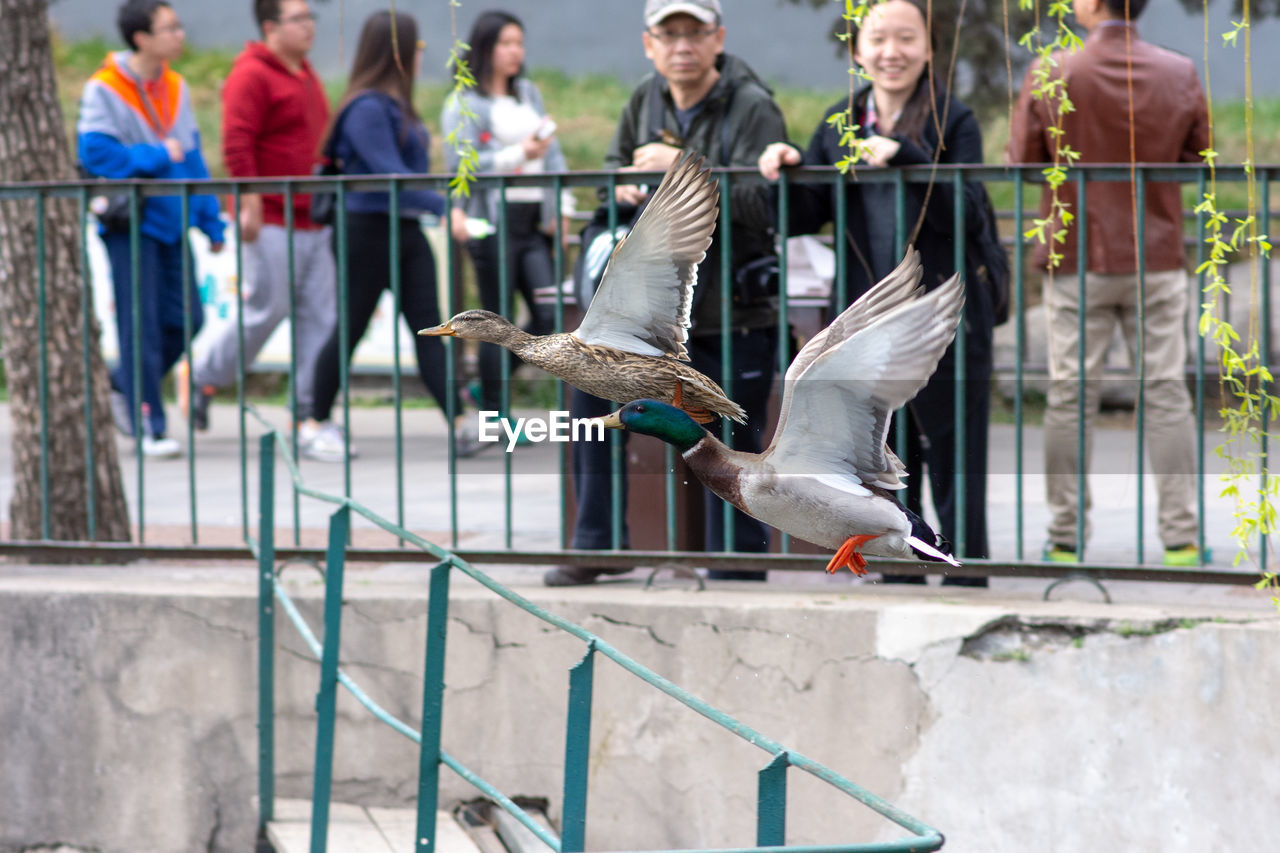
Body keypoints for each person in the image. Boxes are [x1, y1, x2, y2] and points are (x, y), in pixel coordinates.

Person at [546, 0, 787, 586]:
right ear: (649, 43)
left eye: (695, 32)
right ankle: (598, 546)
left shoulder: (753, 106)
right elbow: (609, 175)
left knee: (731, 439)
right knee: (589, 409)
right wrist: (625, 188)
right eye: (668, 33)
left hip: (728, 310)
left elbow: (769, 203)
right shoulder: (642, 99)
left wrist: (680, 168)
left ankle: (739, 562)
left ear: (718, 38)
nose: (682, 45)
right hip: (644, 326)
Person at [758, 0, 995, 586]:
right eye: (879, 39)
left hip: (940, 325)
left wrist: (909, 158)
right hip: (868, 328)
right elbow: (801, 215)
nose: (892, 52)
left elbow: (967, 214)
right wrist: (785, 168)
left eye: (906, 38)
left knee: (954, 453)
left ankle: (968, 573)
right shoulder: (842, 120)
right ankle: (903, 571)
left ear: (929, 49)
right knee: (886, 462)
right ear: (858, 51)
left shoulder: (952, 119)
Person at [1007, 0, 1208, 567]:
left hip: (1075, 255)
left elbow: (1023, 160)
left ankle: (1066, 538)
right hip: (1157, 255)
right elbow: (1197, 160)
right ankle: (1182, 540)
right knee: (1165, 391)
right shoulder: (1179, 71)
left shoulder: (1052, 70)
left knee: (1070, 396)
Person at [302, 9, 480, 461]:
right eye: (416, 49)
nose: (422, 58)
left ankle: (459, 421)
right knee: (351, 327)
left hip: (403, 229)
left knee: (433, 325)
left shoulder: (395, 107)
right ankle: (313, 421)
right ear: (396, 53)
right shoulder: (366, 108)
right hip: (365, 230)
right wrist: (444, 207)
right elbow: (391, 173)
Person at [77, 0, 225, 458]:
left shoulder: (176, 85)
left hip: (173, 220)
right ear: (141, 37)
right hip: (132, 224)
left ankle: (122, 386)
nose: (179, 35)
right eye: (169, 28)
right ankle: (150, 425)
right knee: (137, 325)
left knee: (189, 320)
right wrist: (159, 154)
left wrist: (209, 217)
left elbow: (194, 157)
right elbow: (97, 155)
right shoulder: (103, 88)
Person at [181, 0, 334, 442]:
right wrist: (247, 199)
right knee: (264, 312)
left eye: (311, 18)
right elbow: (236, 141)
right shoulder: (251, 73)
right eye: (298, 19)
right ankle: (204, 373)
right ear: (270, 26)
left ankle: (307, 412)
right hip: (269, 217)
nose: (309, 27)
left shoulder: (304, 72)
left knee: (322, 318)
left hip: (312, 217)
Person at [442, 10, 573, 429]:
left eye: (519, 42)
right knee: (493, 319)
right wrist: (520, 155)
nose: (516, 51)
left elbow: (552, 153)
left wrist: (562, 206)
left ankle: (487, 388)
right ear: (485, 48)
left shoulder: (528, 93)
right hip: (490, 221)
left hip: (534, 220)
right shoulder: (466, 100)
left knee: (550, 312)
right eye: (506, 43)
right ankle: (493, 415)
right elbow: (461, 164)